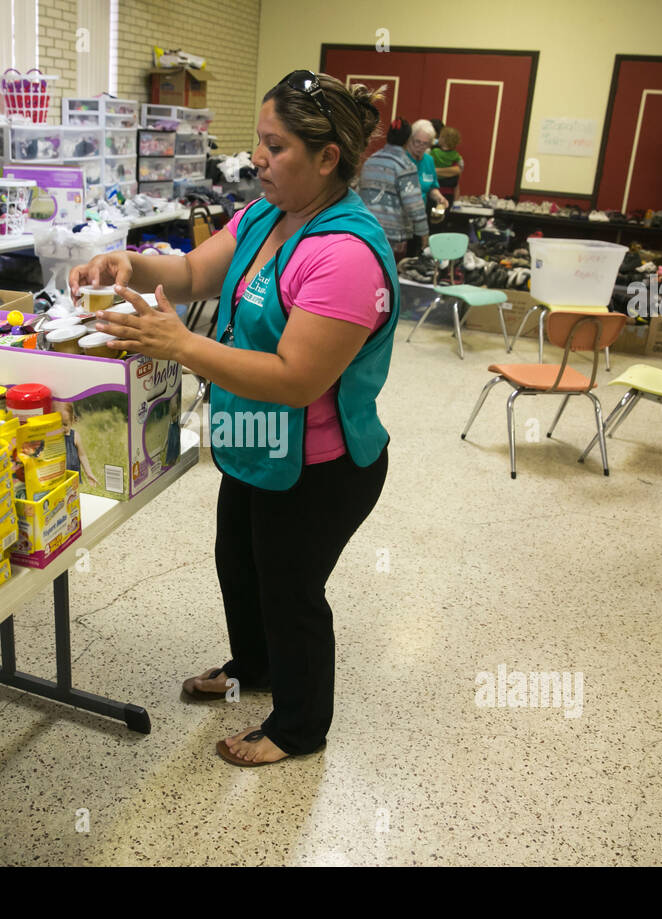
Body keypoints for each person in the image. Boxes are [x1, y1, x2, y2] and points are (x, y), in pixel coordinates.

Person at [70, 69, 397, 767]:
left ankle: (300, 727)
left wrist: (183, 345)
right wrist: (121, 262)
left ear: (327, 158)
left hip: (319, 465)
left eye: (274, 147)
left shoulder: (344, 255)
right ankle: (256, 668)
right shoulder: (265, 217)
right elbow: (189, 274)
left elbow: (295, 379)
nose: (257, 158)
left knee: (290, 590)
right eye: (258, 142)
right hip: (253, 444)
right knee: (240, 567)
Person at [357, 116, 428, 258]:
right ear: (408, 140)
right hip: (393, 237)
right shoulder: (405, 166)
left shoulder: (371, 161)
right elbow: (414, 206)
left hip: (365, 231)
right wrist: (423, 234)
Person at [429, 125, 465, 201]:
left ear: (442, 139)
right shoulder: (455, 154)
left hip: (434, 190)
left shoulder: (434, 152)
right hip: (448, 193)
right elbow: (461, 165)